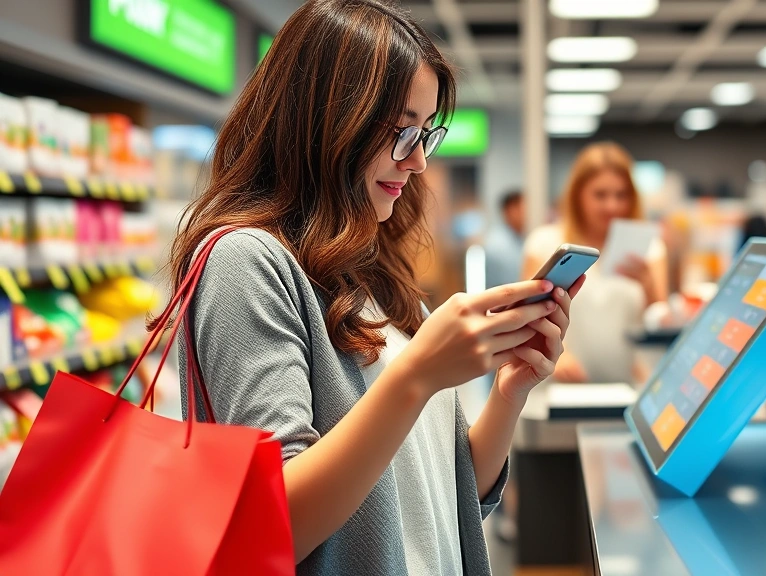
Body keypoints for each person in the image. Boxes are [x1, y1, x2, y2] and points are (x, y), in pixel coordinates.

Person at [158, 2, 583, 574]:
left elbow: (449, 493)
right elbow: (274, 523)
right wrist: (416, 376)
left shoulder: (373, 268)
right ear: (327, 118)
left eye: (425, 134)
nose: (416, 164)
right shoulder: (245, 260)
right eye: (399, 132)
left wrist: (510, 391)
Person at [522, 142, 668, 384]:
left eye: (621, 195)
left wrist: (649, 286)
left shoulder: (650, 249)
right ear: (578, 195)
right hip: (560, 386)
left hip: (628, 386)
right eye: (600, 195)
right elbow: (527, 315)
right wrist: (556, 356)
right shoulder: (545, 243)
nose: (612, 206)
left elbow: (660, 324)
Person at [483, 190, 525, 289]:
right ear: (511, 210)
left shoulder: (518, 239)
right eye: (524, 208)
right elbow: (515, 284)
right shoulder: (498, 246)